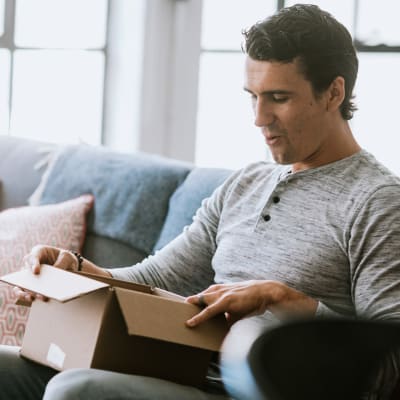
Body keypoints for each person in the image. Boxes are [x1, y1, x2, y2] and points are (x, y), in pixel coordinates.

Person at [1, 4, 400, 400]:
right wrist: (81, 271)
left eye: (278, 97)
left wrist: (286, 301)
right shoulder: (245, 183)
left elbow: (390, 362)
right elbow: (157, 278)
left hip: (249, 390)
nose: (259, 118)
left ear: (333, 92)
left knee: (77, 390)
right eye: (253, 96)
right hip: (181, 372)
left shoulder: (377, 202)